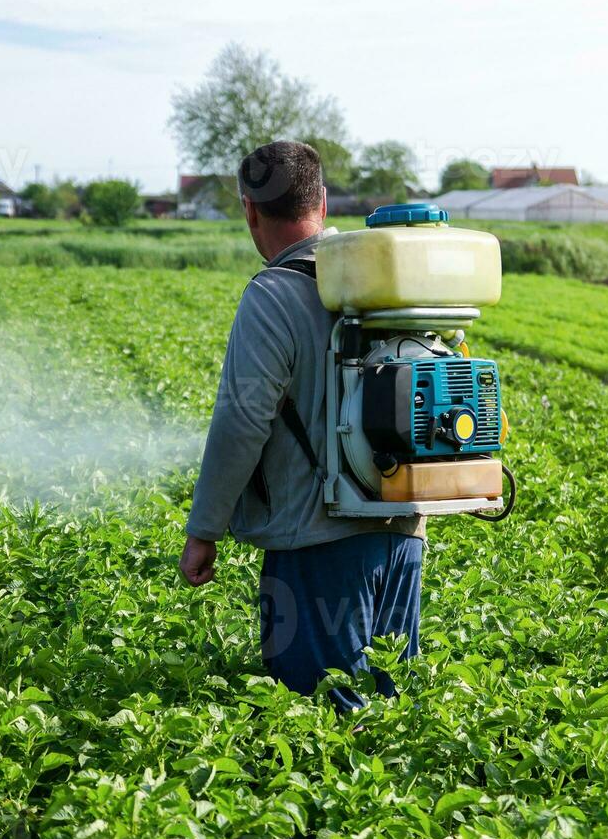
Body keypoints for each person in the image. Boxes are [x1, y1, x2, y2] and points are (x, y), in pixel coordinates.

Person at [178, 140, 424, 712]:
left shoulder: (275, 293)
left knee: (319, 720)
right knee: (394, 719)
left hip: (316, 547)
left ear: (249, 211)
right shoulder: (387, 281)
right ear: (323, 201)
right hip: (404, 535)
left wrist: (204, 529)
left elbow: (242, 422)